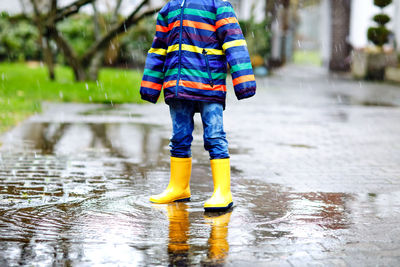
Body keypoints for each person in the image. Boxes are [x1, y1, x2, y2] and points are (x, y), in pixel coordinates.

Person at [140, 0, 256, 211]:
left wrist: (244, 82)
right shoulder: (170, 8)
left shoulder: (217, 5)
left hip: (208, 85)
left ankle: (223, 191)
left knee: (214, 137)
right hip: (177, 87)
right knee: (179, 138)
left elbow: (234, 42)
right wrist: (150, 85)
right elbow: (158, 49)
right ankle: (178, 186)